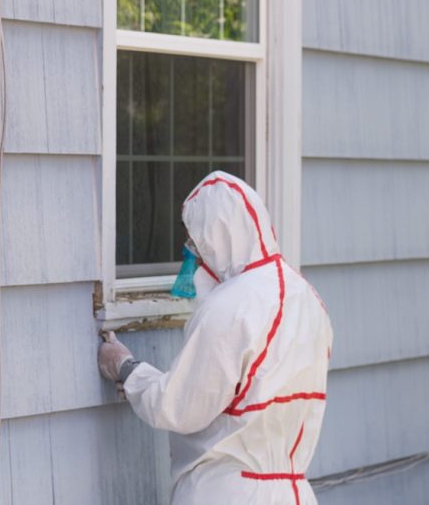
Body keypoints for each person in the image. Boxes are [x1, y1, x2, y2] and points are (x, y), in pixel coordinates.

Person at [99, 171, 333, 505]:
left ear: (216, 236)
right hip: (293, 491)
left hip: (227, 491)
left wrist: (126, 366)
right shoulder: (308, 298)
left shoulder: (231, 307)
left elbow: (178, 407)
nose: (193, 253)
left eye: (196, 241)